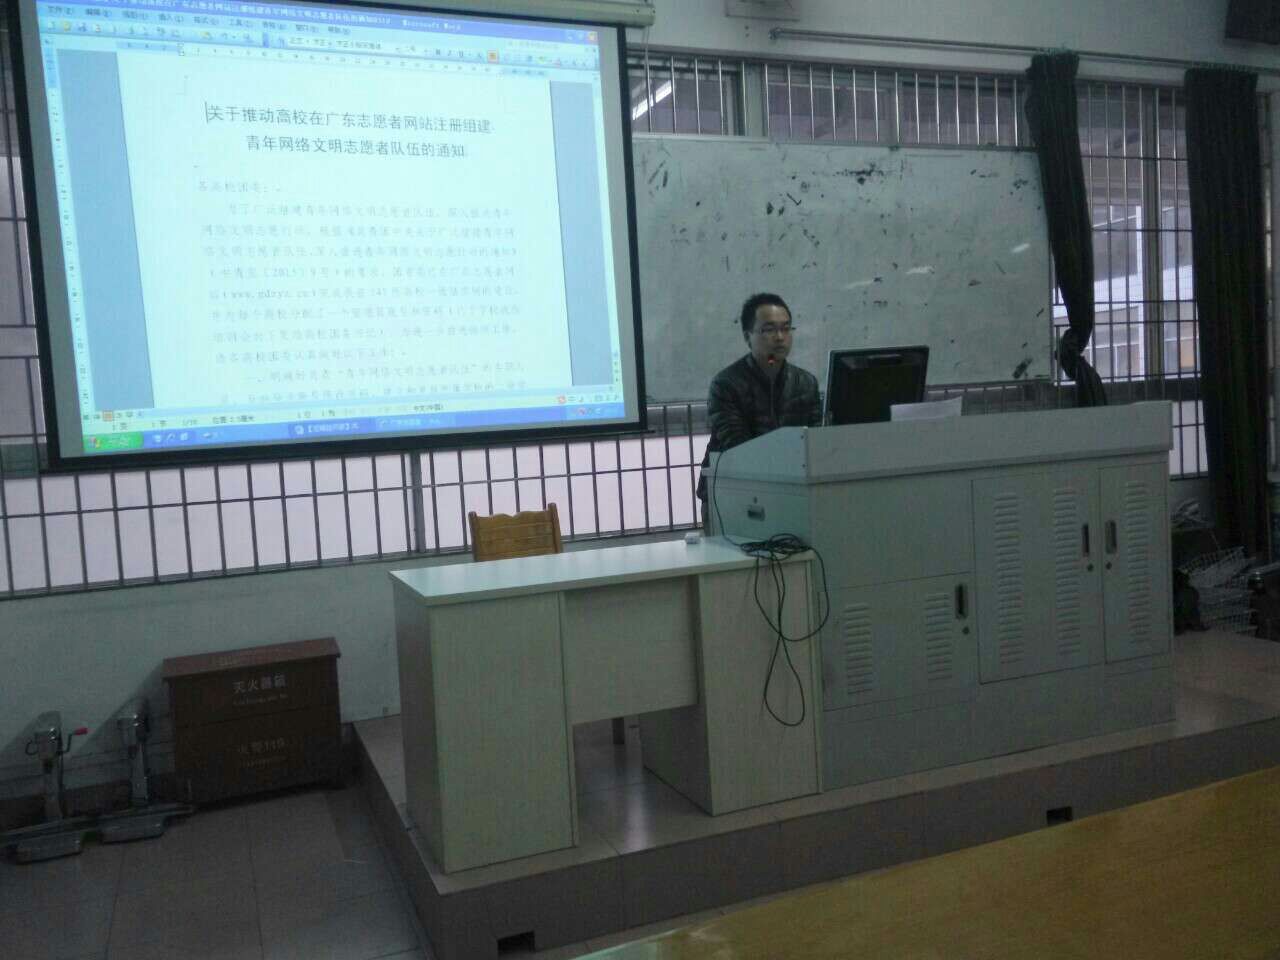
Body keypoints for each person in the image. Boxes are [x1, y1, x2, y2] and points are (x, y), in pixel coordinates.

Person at [698, 292, 822, 518]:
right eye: (769, 329)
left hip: (791, 491)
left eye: (786, 328)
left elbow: (815, 442)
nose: (780, 337)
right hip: (731, 491)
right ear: (748, 337)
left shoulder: (806, 383)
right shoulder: (726, 384)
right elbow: (738, 446)